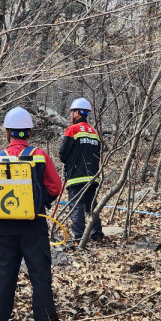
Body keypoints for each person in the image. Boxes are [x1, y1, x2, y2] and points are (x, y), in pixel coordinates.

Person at [0, 107, 62, 321]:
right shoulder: (39, 155)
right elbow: (55, 187)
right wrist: (40, 203)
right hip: (33, 225)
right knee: (40, 277)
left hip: (2, 228)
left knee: (3, 278)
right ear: (29, 132)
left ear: (7, 132)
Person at [58, 98, 102, 241]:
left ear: (77, 113)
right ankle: (97, 234)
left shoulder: (72, 129)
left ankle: (79, 236)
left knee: (76, 206)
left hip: (76, 175)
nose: (70, 115)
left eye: (71, 112)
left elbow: (63, 153)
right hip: (92, 177)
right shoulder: (94, 131)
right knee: (91, 207)